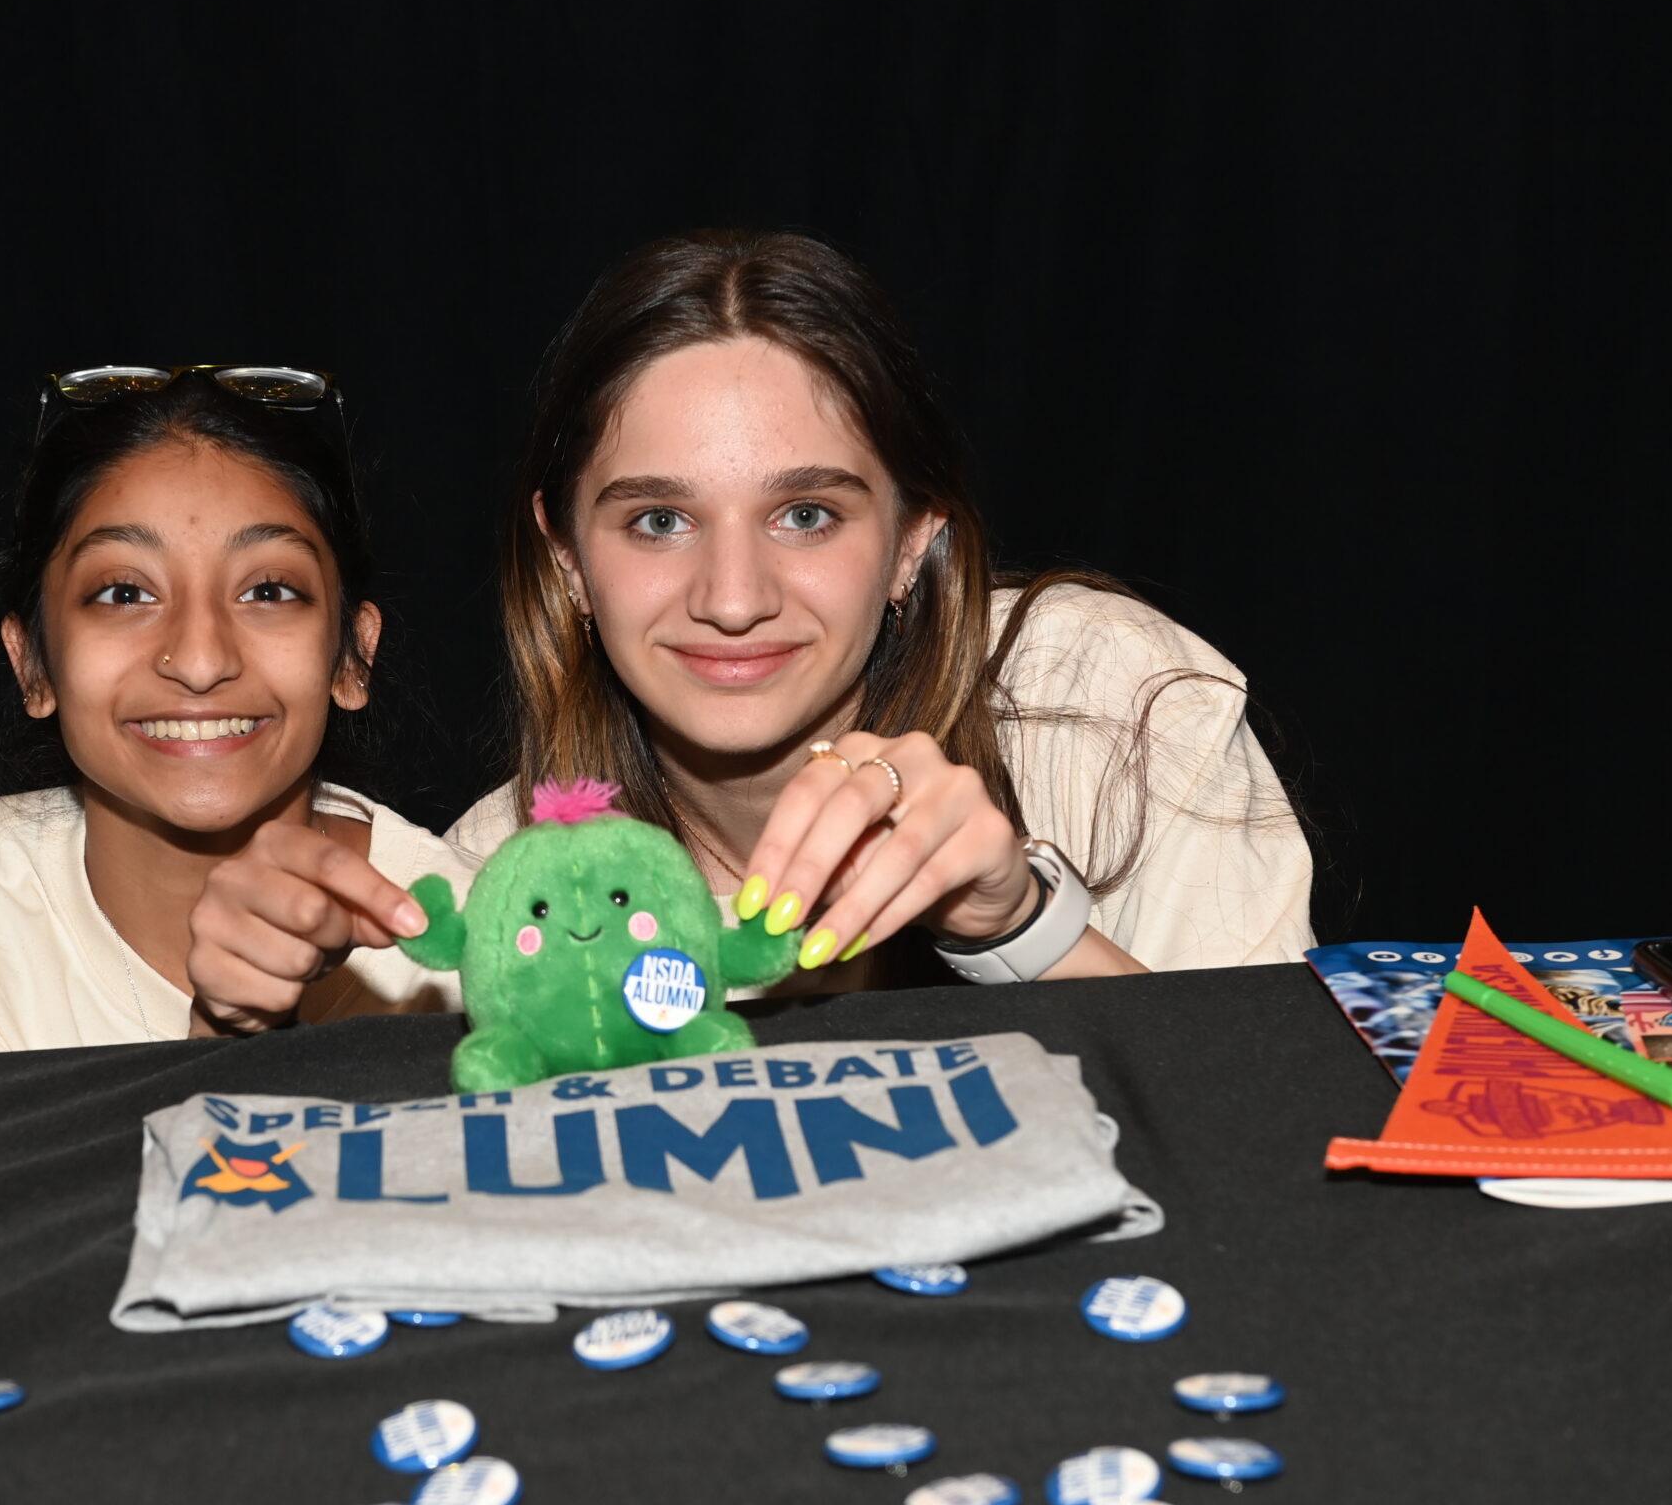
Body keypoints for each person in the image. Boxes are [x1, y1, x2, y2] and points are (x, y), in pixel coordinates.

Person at [443, 229, 1313, 987]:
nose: (734, 599)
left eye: (807, 516)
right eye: (659, 521)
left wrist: (1021, 924)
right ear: (567, 560)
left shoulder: (1106, 707)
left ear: (910, 541)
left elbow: (1286, 1137)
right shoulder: (500, 883)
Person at [0, 366, 471, 1061]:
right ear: (31, 662)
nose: (201, 658)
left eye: (268, 589)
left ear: (352, 658)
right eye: (124, 593)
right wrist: (227, 1039)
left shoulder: (496, 943)